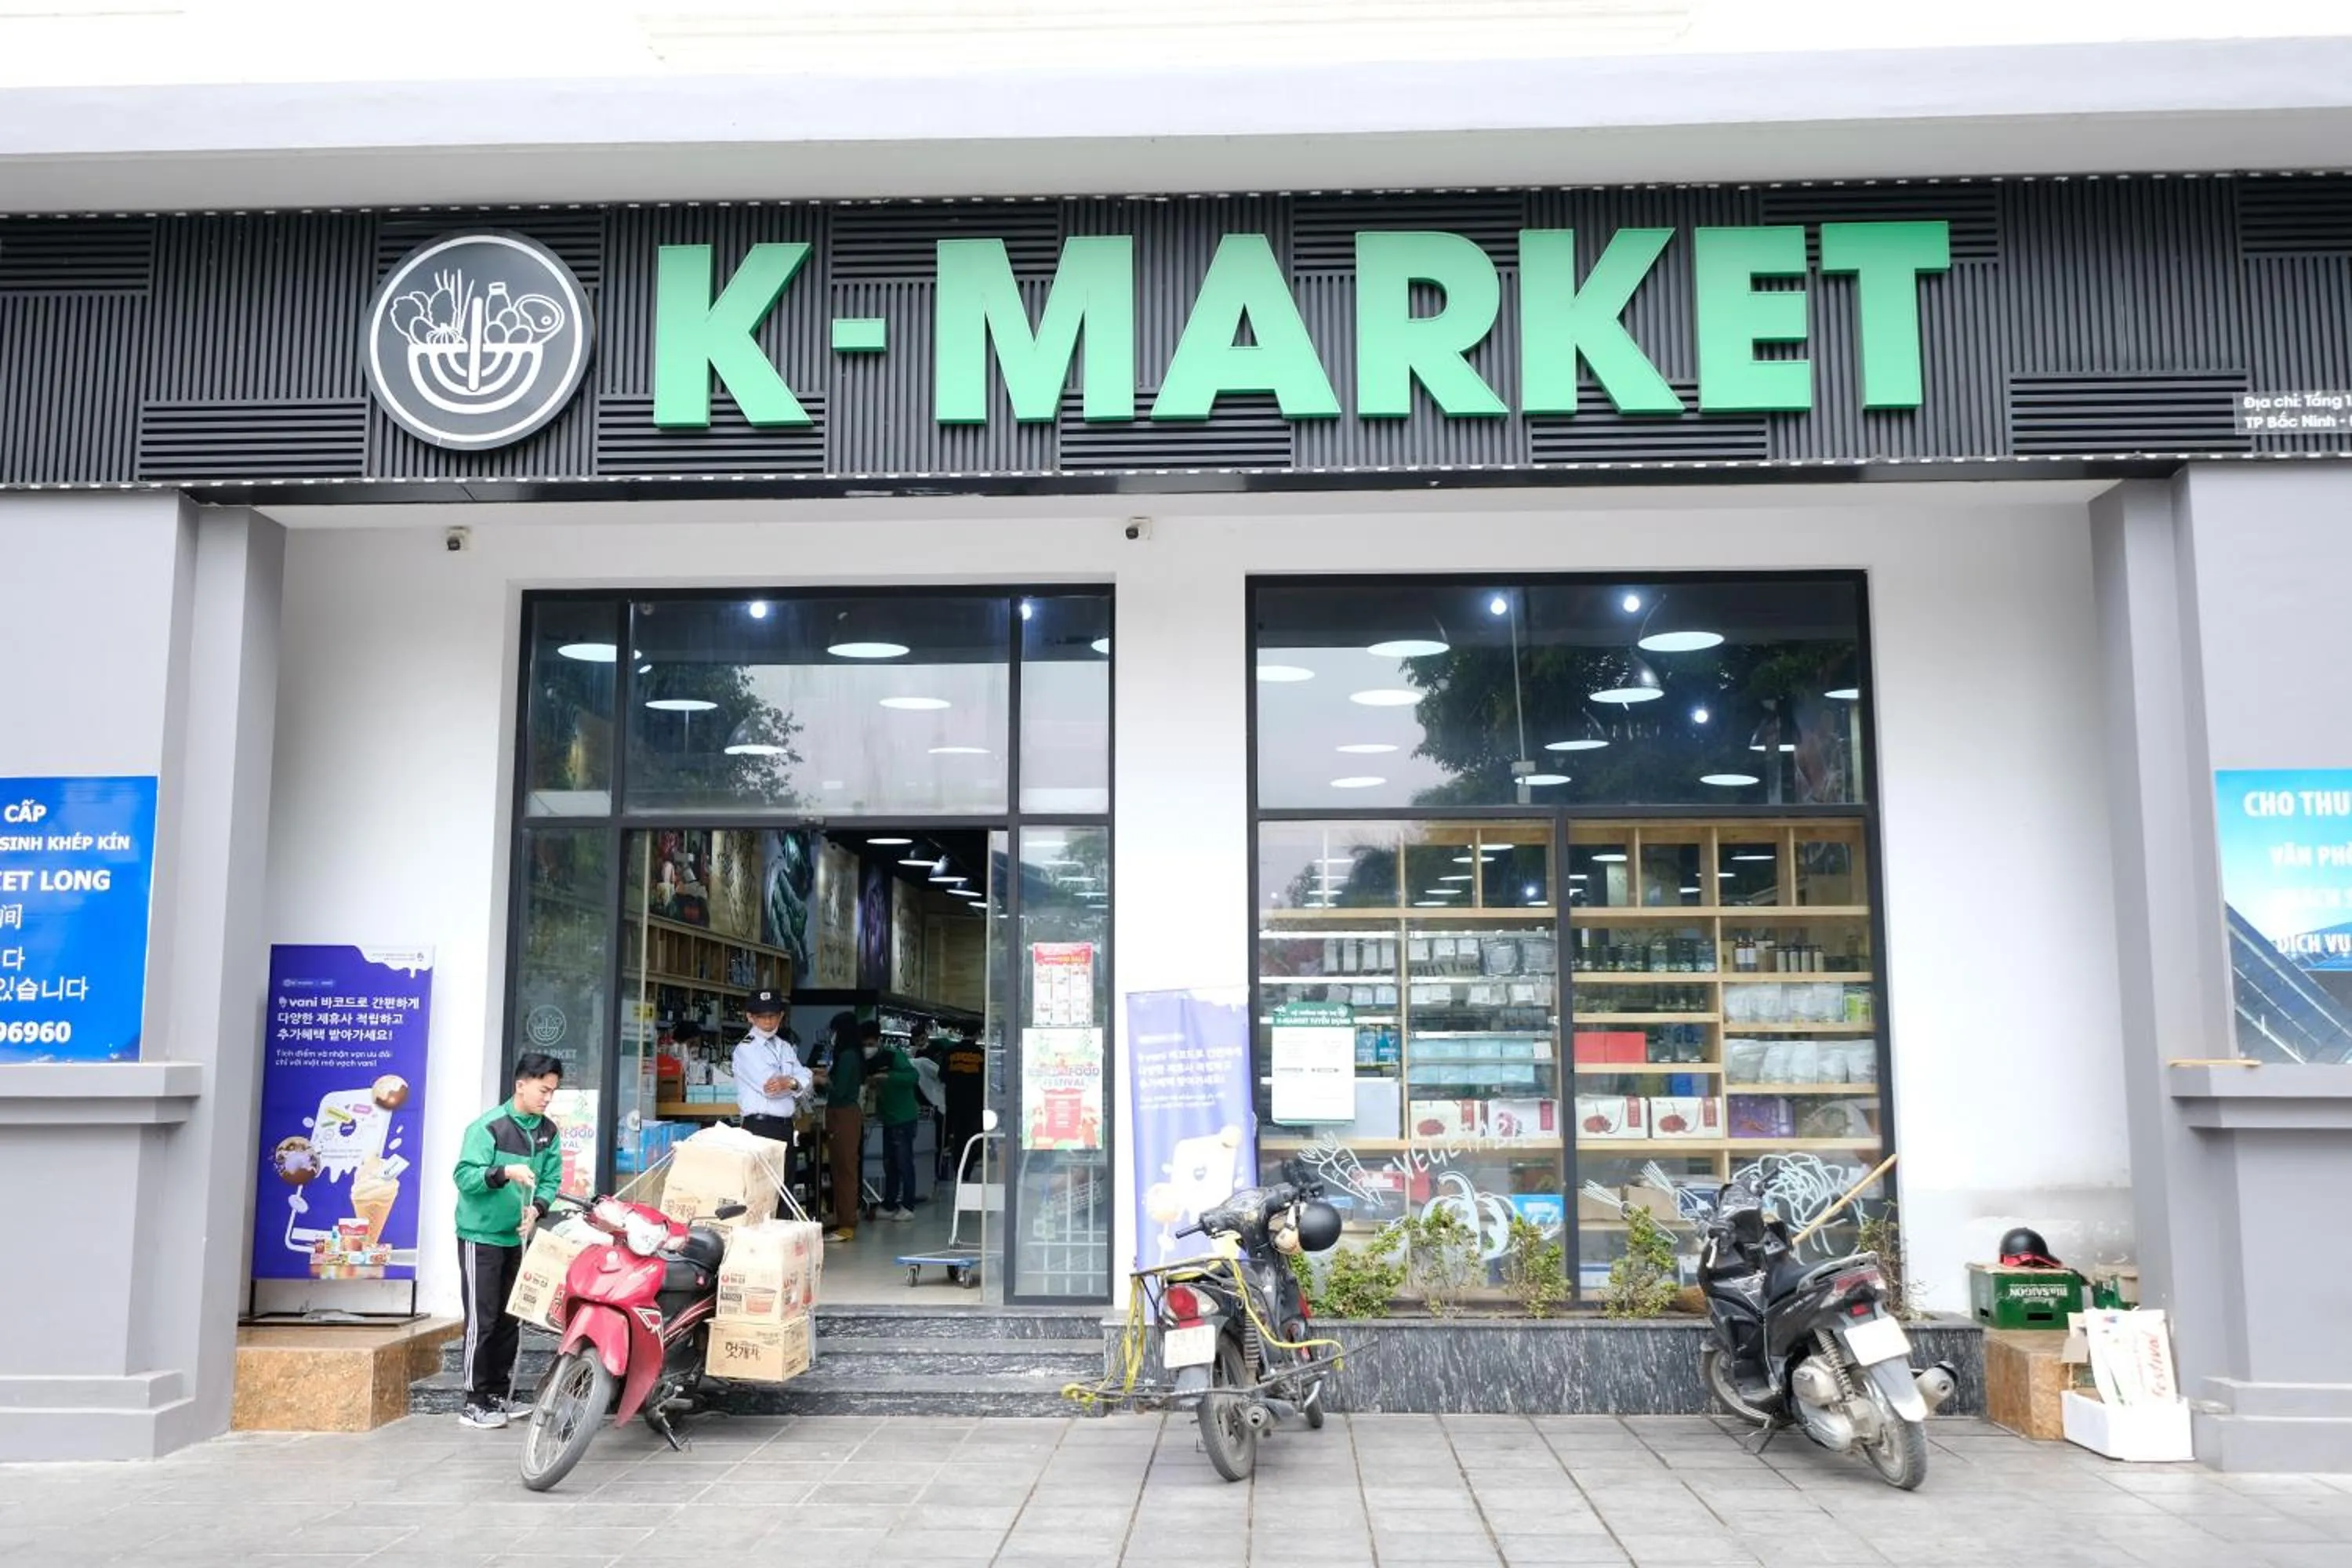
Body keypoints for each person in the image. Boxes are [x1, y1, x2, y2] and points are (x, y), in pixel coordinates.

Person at [451, 1052, 566, 1430]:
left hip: (516, 1237)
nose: (547, 1098)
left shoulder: (547, 1131)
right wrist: (503, 1172)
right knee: (482, 1319)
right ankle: (474, 1399)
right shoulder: (489, 1127)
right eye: (542, 1089)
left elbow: (550, 1179)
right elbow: (465, 1176)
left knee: (509, 1317)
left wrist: (537, 1210)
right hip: (480, 1234)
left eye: (552, 1092)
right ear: (521, 1084)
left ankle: (499, 1393)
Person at [732, 989, 811, 1207]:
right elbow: (769, 1087)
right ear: (750, 1017)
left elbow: (806, 1077)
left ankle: (782, 1236)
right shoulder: (746, 1050)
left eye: (773, 1015)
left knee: (785, 1189)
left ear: (781, 1016)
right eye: (762, 1016)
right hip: (760, 1127)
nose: (768, 1021)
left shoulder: (784, 1047)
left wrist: (792, 1082)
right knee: (761, 1191)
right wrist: (794, 1083)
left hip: (785, 1126)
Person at [812, 1014, 871, 1243]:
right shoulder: (852, 1055)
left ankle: (846, 1224)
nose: (832, 1036)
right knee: (843, 1169)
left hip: (842, 1115)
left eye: (834, 1031)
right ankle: (844, 1218)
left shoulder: (847, 1056)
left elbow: (840, 1091)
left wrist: (822, 1082)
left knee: (844, 1170)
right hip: (847, 1115)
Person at [929, 1023, 987, 1185]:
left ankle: (957, 1170)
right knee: (972, 1137)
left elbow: (942, 1076)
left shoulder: (951, 1052)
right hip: (975, 1103)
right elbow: (986, 1079)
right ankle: (967, 1171)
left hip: (954, 1101)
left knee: (956, 1137)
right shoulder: (981, 1054)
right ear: (977, 1034)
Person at [873, 1031, 921, 1222]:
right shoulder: (867, 1061)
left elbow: (912, 1076)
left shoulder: (894, 1056)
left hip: (904, 1118)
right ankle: (889, 1204)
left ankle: (908, 1205)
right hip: (889, 1118)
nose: (867, 1047)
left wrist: (888, 1077)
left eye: (870, 1042)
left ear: (878, 1041)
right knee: (890, 1164)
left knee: (904, 1163)